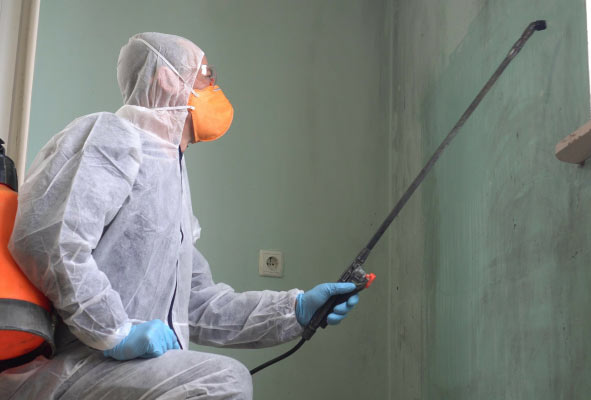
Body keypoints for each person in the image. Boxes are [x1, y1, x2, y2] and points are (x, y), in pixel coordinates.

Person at [0, 32, 359, 399]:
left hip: (124, 373)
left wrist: (295, 310)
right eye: (207, 74)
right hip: (73, 368)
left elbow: (197, 305)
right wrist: (116, 333)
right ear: (168, 77)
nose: (215, 85)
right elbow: (48, 240)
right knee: (221, 381)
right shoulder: (111, 136)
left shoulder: (171, 177)